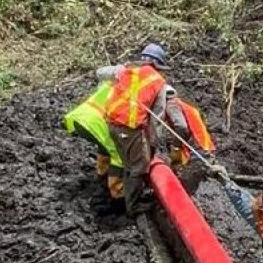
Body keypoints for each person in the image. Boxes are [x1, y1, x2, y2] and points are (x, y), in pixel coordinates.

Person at [96, 43, 192, 212]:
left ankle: (126, 196)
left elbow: (100, 73)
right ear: (158, 65)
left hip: (111, 123)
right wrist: (152, 146)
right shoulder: (158, 82)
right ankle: (133, 206)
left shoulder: (128, 71)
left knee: (127, 163)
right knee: (139, 167)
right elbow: (157, 118)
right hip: (130, 128)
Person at [63, 80, 124, 198]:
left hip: (80, 119)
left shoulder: (118, 81)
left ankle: (102, 174)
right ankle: (116, 192)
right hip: (98, 125)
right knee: (119, 155)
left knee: (104, 146)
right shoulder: (134, 93)